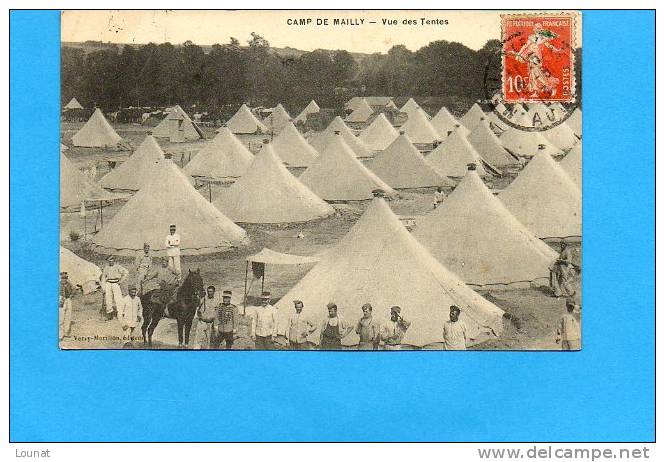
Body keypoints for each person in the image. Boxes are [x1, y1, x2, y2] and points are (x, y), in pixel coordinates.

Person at [100, 256, 129, 320]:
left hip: (116, 283)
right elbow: (103, 278)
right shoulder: (106, 268)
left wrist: (121, 281)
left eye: (112, 260)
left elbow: (126, 272)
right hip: (108, 284)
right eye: (109, 260)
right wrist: (103, 287)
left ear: (114, 260)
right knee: (108, 299)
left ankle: (120, 314)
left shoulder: (118, 267)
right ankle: (109, 314)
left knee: (118, 299)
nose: (111, 261)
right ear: (108, 261)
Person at [59, 272, 75, 340]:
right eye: (63, 278)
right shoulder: (58, 284)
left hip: (68, 300)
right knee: (61, 317)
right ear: (60, 278)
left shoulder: (69, 284)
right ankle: (60, 335)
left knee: (68, 316)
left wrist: (71, 296)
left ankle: (66, 332)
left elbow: (74, 289)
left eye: (66, 278)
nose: (64, 279)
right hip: (61, 299)